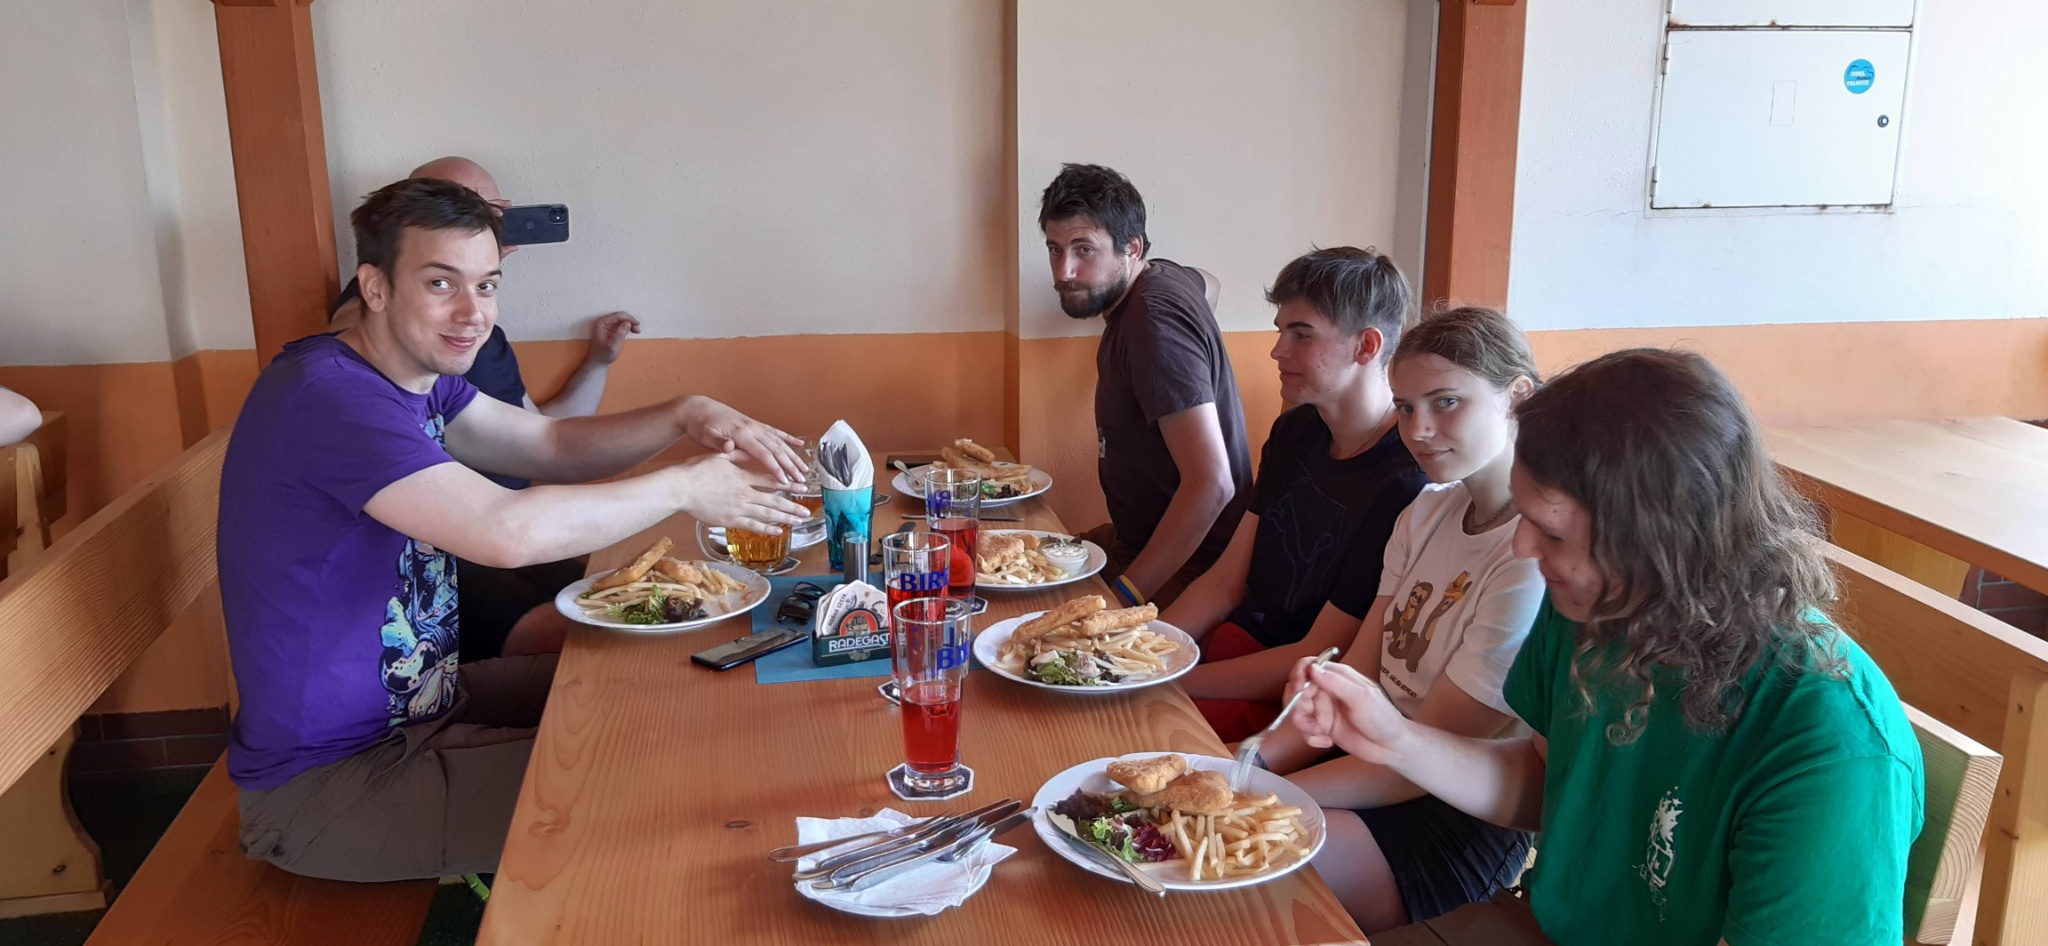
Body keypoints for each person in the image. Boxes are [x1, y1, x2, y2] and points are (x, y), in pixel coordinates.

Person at [219, 177, 807, 884]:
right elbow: (505, 532)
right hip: (332, 782)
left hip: (428, 704)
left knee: (671, 684)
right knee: (671, 780)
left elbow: (551, 446)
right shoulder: (332, 396)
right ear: (375, 288)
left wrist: (687, 412)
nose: (473, 313)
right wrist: (684, 487)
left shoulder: (416, 378)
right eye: (441, 283)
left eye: (487, 285)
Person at [1286, 348, 1925, 945]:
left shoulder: (1829, 746)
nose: (1524, 549)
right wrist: (1393, 739)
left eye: (1552, 532)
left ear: (1661, 539)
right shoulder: (1596, 609)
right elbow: (1546, 783)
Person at [1243, 306, 1544, 933]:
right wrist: (1247, 764)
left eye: (1446, 403)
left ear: (1517, 397)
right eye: (1405, 408)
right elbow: (1355, 681)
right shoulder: (1425, 512)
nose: (1420, 430)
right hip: (1365, 761)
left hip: (1453, 807)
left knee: (1237, 872)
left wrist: (1254, 792)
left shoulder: (1532, 553)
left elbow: (1424, 753)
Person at [333, 156, 639, 661]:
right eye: (464, 210)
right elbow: (350, 344)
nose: (471, 312)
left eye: (494, 210)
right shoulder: (373, 341)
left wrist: (600, 365)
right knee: (604, 635)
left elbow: (546, 436)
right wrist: (682, 487)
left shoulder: (473, 339)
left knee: (624, 597)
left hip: (507, 524)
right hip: (449, 546)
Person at [1163, 248, 1426, 743]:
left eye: (1301, 334)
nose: (1277, 351)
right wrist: (1139, 653)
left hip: (1292, 699)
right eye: (1280, 330)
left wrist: (1168, 683)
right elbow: (1224, 583)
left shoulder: (1406, 483)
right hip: (1232, 653)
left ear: (1367, 346)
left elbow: (1320, 653)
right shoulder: (1294, 431)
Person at [1039, 163, 1252, 608]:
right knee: (1027, 558)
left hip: (1191, 565)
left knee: (1034, 613)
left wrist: (1126, 595)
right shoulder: (1164, 277)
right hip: (1130, 539)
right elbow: (1210, 284)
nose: (1065, 271)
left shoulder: (1153, 325)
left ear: (1132, 249)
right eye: (1055, 249)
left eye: (1084, 249)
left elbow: (1213, 484)